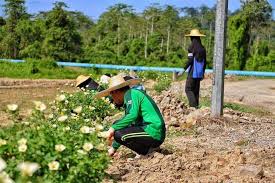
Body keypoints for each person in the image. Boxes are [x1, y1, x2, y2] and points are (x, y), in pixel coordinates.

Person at [95, 75, 166, 156]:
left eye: (112, 96)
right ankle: (150, 149)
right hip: (150, 130)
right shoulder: (131, 95)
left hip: (153, 131)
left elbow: (132, 115)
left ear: (116, 92)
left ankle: (147, 152)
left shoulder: (131, 94)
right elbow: (127, 123)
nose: (113, 100)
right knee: (118, 125)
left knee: (118, 133)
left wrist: (112, 129)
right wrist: (113, 148)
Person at [180, 29, 206, 108]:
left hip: (193, 72)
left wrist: (183, 70)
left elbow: (190, 60)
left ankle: (193, 107)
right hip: (199, 73)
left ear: (192, 38)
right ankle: (197, 106)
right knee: (196, 90)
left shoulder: (191, 48)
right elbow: (205, 62)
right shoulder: (202, 49)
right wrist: (202, 73)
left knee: (188, 89)